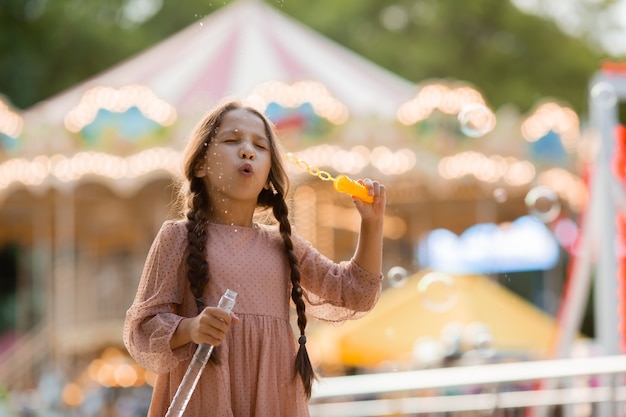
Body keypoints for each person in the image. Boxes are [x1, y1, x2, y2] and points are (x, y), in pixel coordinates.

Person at [123, 100, 386, 416]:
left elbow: (356, 292)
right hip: (205, 399)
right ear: (200, 165)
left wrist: (372, 225)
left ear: (268, 175)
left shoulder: (283, 245)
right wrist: (191, 328)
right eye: (232, 140)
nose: (247, 151)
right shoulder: (176, 237)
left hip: (273, 398)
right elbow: (143, 328)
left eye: (259, 146)